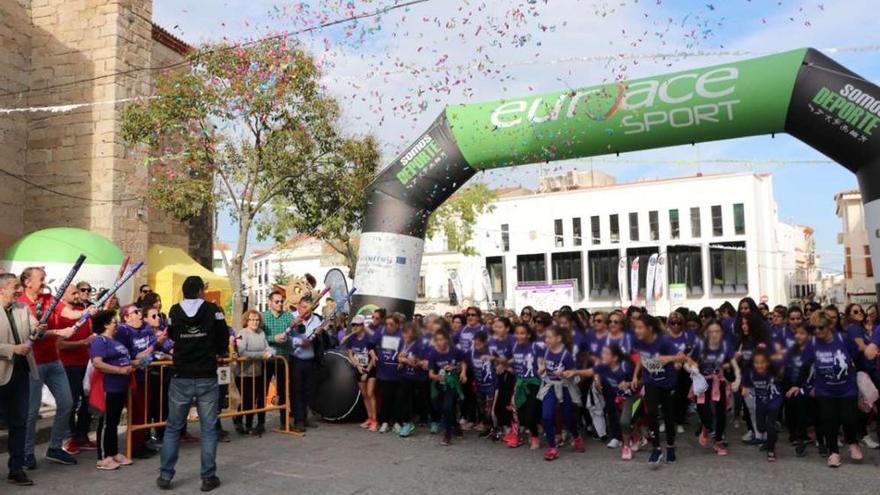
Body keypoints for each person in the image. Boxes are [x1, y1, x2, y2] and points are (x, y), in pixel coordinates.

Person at [157, 276, 228, 492]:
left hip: (181, 375)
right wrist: (217, 350)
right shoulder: (212, 309)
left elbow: (171, 335)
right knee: (208, 429)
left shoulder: (174, 311)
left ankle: (165, 475)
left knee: (172, 428)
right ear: (199, 291)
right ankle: (208, 477)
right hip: (206, 374)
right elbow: (223, 336)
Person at [19, 267, 78, 468]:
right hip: (33, 363)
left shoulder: (49, 299)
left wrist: (86, 312)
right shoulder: (20, 304)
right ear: (28, 282)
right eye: (41, 278)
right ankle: (26, 453)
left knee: (67, 403)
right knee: (32, 411)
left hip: (54, 361)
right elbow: (35, 332)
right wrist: (59, 332)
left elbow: (68, 312)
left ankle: (54, 448)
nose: (44, 281)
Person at [799, 310, 862, 468]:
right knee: (829, 420)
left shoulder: (843, 338)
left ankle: (852, 442)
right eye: (815, 329)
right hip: (825, 390)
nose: (818, 332)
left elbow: (856, 356)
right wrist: (808, 387)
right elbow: (805, 366)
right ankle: (834, 452)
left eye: (821, 328)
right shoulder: (812, 343)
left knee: (849, 418)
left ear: (830, 326)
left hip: (847, 388)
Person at [0, 273, 39, 486]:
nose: (19, 290)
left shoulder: (23, 308)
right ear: (1, 289)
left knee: (19, 423)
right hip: (1, 375)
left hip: (22, 374)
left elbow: (35, 329)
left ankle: (16, 469)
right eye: (15, 287)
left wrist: (40, 330)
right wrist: (12, 349)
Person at [632, 313, 686, 466]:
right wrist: (636, 375)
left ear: (649, 328)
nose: (637, 330)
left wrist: (667, 359)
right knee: (652, 412)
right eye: (635, 327)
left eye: (640, 327)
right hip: (651, 381)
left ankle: (670, 446)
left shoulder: (664, 341)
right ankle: (656, 448)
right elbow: (643, 359)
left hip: (667, 382)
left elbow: (681, 357)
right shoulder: (639, 341)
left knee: (669, 416)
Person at [88, 310, 134, 470]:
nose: (117, 324)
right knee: (107, 422)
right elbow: (98, 363)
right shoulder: (100, 341)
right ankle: (103, 457)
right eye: (114, 321)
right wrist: (120, 370)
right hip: (108, 386)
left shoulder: (115, 341)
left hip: (120, 386)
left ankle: (113, 452)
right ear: (106, 324)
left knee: (113, 422)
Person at [56, 283, 98, 455]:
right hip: (69, 365)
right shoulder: (60, 313)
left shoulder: (84, 310)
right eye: (75, 292)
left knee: (88, 402)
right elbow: (60, 345)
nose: (78, 295)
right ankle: (68, 438)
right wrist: (83, 343)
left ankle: (82, 436)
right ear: (64, 294)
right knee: (70, 402)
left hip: (86, 364)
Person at [115, 304, 159, 459]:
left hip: (145, 375)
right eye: (135, 312)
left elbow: (154, 342)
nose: (140, 315)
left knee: (143, 411)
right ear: (126, 317)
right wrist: (139, 356)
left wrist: (147, 352)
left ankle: (141, 443)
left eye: (139, 311)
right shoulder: (123, 331)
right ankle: (134, 446)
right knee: (136, 411)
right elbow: (126, 352)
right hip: (131, 376)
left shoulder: (146, 327)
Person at [276, 295, 324, 433]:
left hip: (311, 359)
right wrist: (299, 342)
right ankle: (298, 420)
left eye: (309, 309)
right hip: (295, 359)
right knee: (297, 390)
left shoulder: (317, 319)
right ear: (298, 306)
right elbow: (284, 337)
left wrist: (318, 335)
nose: (306, 311)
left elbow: (316, 337)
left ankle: (305, 416)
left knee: (309, 390)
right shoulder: (291, 317)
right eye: (303, 307)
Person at [693, 320, 740, 456]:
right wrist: (691, 367)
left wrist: (737, 379)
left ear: (722, 333)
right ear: (706, 333)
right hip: (702, 382)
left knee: (721, 413)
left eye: (717, 331)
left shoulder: (725, 346)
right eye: (711, 332)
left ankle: (718, 441)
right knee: (703, 411)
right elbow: (690, 361)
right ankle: (706, 427)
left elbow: (734, 364)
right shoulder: (700, 345)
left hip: (719, 382)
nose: (714, 334)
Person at [539, 325, 584, 461]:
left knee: (567, 417)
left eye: (549, 337)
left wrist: (564, 374)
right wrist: (542, 369)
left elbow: (574, 375)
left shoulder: (566, 355)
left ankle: (576, 437)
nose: (546, 340)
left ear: (558, 338)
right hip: (551, 386)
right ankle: (552, 447)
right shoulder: (547, 351)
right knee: (546, 415)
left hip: (565, 387)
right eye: (545, 337)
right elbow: (544, 366)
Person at [233, 310, 273, 437]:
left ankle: (245, 422)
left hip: (258, 372)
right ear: (247, 321)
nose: (255, 322)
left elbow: (268, 347)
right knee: (247, 400)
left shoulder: (261, 333)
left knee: (254, 399)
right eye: (252, 320)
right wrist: (260, 355)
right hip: (244, 373)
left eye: (257, 320)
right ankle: (242, 421)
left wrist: (271, 353)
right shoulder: (242, 334)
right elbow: (242, 352)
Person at [427, 327, 467, 446]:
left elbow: (463, 361)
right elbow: (430, 374)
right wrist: (437, 377)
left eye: (442, 339)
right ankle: (454, 424)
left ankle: (447, 434)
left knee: (447, 407)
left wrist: (461, 371)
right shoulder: (433, 354)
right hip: (439, 384)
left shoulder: (454, 350)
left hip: (452, 384)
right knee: (438, 406)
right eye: (437, 340)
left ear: (447, 340)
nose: (440, 342)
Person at [742, 349, 784, 461]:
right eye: (757, 363)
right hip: (760, 402)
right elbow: (745, 383)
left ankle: (771, 450)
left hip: (774, 401)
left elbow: (782, 362)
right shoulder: (750, 373)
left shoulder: (773, 371)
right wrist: (744, 388)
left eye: (762, 363)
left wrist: (778, 356)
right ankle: (773, 430)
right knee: (760, 427)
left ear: (768, 363)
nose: (760, 366)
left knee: (770, 425)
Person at [593, 345, 635, 457]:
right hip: (609, 391)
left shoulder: (626, 367)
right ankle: (616, 437)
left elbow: (635, 383)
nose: (603, 356)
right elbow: (596, 371)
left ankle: (631, 437)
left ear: (615, 358)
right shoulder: (604, 365)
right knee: (611, 412)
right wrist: (597, 380)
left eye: (606, 354)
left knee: (625, 417)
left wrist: (627, 384)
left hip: (626, 395)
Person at [261, 291, 293, 429]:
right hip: (267, 361)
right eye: (277, 301)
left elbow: (300, 329)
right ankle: (260, 423)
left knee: (283, 392)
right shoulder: (263, 317)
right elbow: (259, 337)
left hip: (283, 360)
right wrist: (273, 338)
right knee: (261, 392)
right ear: (270, 302)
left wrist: (300, 322)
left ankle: (284, 423)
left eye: (281, 301)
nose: (280, 304)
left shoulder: (287, 316)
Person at [510, 322, 541, 449]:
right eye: (517, 333)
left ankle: (534, 437)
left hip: (534, 383)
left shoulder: (535, 347)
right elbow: (515, 362)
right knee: (521, 414)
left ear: (528, 335)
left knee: (530, 414)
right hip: (520, 383)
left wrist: (542, 368)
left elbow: (542, 361)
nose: (519, 336)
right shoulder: (514, 347)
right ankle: (535, 425)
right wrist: (504, 364)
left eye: (522, 333)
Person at [371, 313, 404, 434]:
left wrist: (403, 359)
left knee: (398, 399)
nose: (388, 326)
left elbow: (409, 349)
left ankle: (397, 423)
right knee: (385, 398)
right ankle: (384, 422)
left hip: (398, 373)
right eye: (387, 324)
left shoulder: (402, 334)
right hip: (383, 372)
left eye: (391, 324)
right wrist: (373, 354)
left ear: (397, 325)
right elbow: (370, 344)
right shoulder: (381, 331)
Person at [345, 315, 377, 431]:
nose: (354, 327)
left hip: (370, 368)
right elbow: (350, 354)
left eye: (357, 325)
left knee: (370, 393)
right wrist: (357, 366)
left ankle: (375, 420)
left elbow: (373, 356)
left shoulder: (369, 338)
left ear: (362, 326)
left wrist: (367, 371)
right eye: (353, 325)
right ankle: (369, 418)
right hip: (359, 368)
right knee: (364, 394)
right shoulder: (352, 339)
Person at [397, 321, 428, 437]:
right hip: (406, 376)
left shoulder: (420, 344)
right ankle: (407, 423)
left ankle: (432, 419)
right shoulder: (404, 343)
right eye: (403, 332)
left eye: (407, 332)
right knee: (403, 398)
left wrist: (405, 360)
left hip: (419, 377)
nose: (404, 335)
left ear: (413, 333)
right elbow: (399, 357)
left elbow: (417, 362)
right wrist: (403, 360)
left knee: (422, 400)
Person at [470, 331, 497, 438]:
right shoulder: (472, 352)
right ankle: (487, 426)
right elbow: (465, 362)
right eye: (475, 344)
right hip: (479, 385)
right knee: (481, 407)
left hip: (491, 385)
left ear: (485, 342)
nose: (477, 347)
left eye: (479, 344)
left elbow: (499, 362)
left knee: (489, 408)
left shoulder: (491, 352)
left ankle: (493, 427)